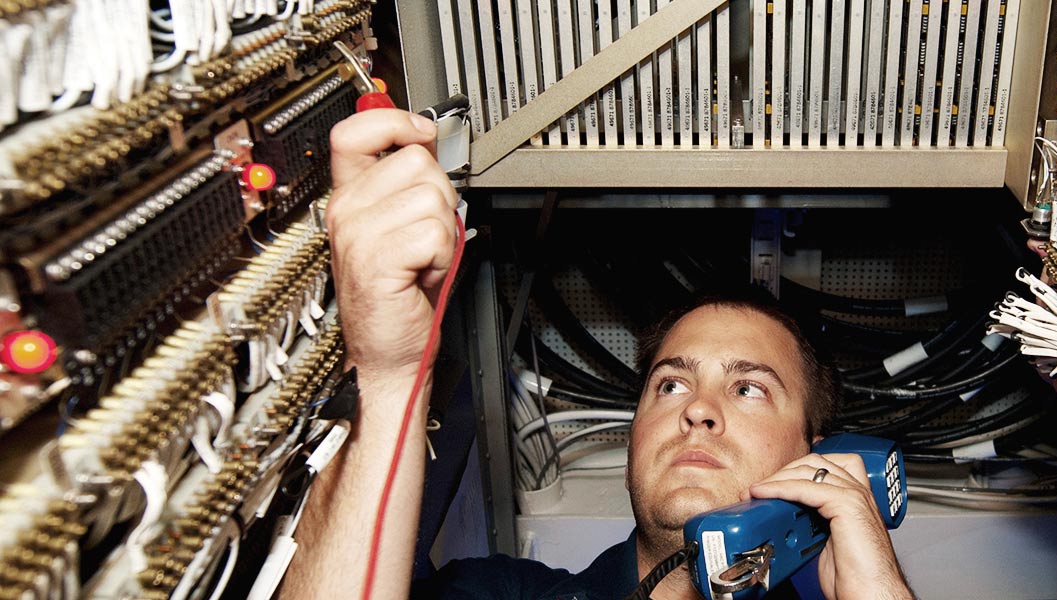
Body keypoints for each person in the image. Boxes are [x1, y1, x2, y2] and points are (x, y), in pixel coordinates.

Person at [280, 109, 914, 599]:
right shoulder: (503, 593)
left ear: (816, 456)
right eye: (670, 384)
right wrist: (390, 375)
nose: (698, 411)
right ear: (635, 427)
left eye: (748, 388)